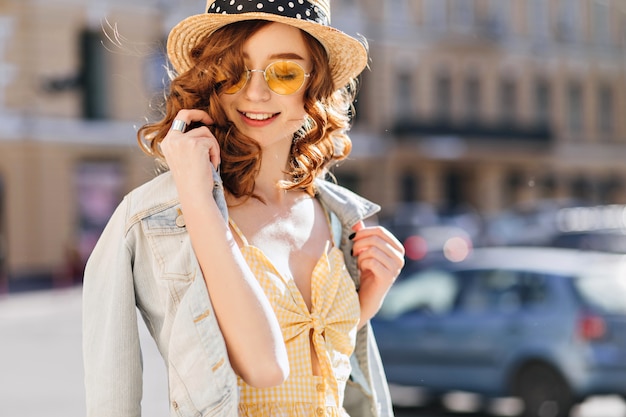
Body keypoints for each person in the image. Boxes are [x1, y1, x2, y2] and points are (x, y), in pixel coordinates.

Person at [83, 0, 405, 416]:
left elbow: (317, 368)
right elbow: (265, 367)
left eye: (285, 72)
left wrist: (364, 306)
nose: (255, 93)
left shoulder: (333, 213)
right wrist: (198, 195)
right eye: (234, 73)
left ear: (315, 85)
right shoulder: (152, 219)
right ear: (211, 81)